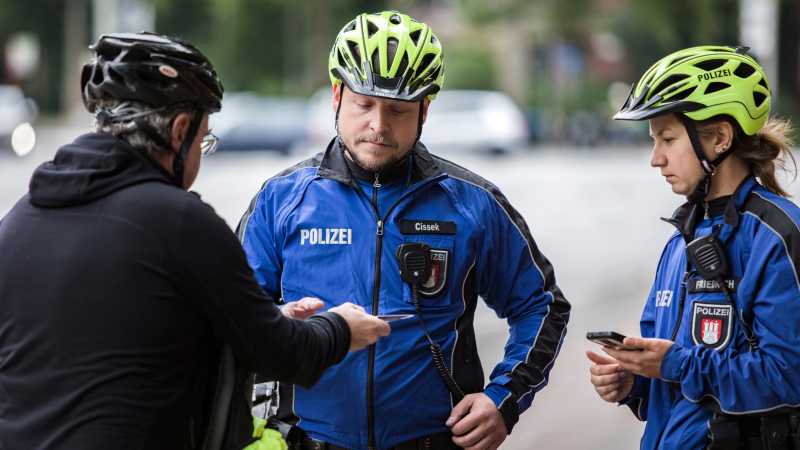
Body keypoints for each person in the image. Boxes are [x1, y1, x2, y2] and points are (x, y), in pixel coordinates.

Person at [0, 32, 390, 450]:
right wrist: (340, 328)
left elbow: (120, 340)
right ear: (179, 130)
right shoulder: (179, 221)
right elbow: (280, 355)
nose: (201, 154)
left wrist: (264, 316)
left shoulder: (19, 221)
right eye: (203, 137)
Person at [239, 10, 571, 450]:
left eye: (397, 110)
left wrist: (503, 398)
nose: (379, 125)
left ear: (425, 111)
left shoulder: (472, 203)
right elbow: (232, 321)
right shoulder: (281, 199)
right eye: (364, 104)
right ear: (337, 96)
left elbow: (542, 306)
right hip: (306, 441)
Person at [587, 45, 800, 449]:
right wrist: (635, 380)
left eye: (667, 138)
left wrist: (672, 362)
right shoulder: (680, 239)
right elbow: (678, 386)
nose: (655, 159)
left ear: (719, 137)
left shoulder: (777, 237)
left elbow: (788, 378)